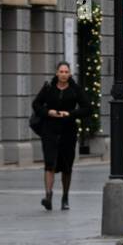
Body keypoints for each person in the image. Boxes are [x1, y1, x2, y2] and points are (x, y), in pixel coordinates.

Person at [31, 61, 88, 211]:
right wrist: (48, 112)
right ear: (56, 73)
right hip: (49, 130)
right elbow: (36, 104)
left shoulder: (75, 90)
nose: (63, 74)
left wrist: (70, 113)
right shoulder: (48, 88)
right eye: (61, 71)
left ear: (69, 74)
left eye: (66, 72)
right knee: (49, 163)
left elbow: (87, 108)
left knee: (66, 166)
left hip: (68, 131)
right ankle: (48, 196)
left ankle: (65, 197)